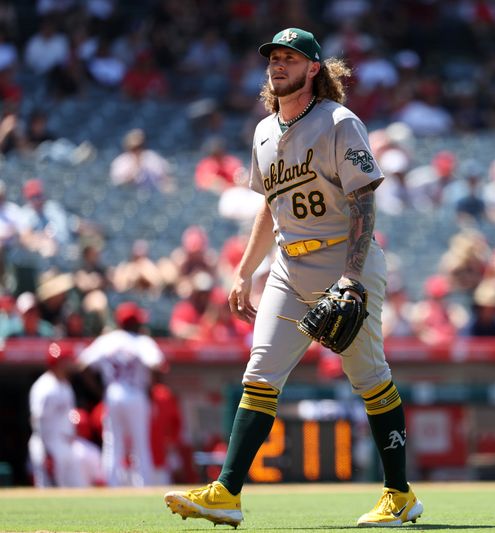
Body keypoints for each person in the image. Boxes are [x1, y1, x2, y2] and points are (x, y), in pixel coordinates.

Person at [164, 27, 422, 528]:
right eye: (274, 57)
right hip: (287, 264)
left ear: (314, 69)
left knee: (368, 377)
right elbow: (269, 204)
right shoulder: (263, 131)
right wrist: (244, 271)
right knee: (259, 373)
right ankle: (226, 493)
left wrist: (350, 278)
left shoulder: (339, 122)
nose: (278, 64)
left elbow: (364, 200)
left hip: (345, 259)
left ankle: (399, 493)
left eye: (291, 57)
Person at [78, 302, 165, 487]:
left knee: (113, 443)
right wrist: (151, 387)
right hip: (135, 393)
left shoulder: (108, 339)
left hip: (113, 392)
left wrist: (100, 391)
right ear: (134, 323)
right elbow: (157, 365)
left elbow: (83, 365)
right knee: (140, 443)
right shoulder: (142, 341)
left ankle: (112, 485)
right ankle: (143, 486)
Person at [28, 343, 89, 487]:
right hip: (48, 443)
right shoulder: (44, 387)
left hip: (66, 443)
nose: (70, 363)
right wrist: (46, 450)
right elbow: (37, 419)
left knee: (77, 488)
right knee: (50, 492)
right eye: (66, 360)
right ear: (58, 362)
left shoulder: (65, 384)